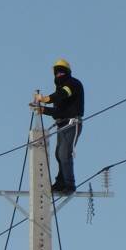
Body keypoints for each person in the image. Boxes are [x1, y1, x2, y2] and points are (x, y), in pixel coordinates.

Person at [33, 58, 84, 195]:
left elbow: (62, 94)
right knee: (59, 154)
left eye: (61, 72)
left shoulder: (73, 84)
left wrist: (45, 99)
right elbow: (59, 111)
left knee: (64, 153)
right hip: (62, 123)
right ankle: (61, 182)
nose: (59, 75)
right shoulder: (60, 90)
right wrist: (43, 110)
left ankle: (69, 184)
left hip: (72, 123)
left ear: (67, 72)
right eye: (57, 73)